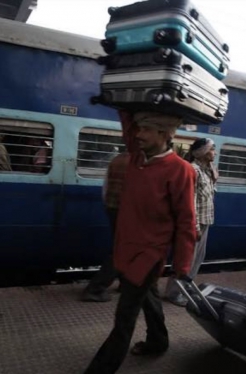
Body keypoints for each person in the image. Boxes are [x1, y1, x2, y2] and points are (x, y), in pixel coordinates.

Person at [83, 111, 197, 374]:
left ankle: (100, 369)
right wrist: (124, 108)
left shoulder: (181, 170)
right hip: (125, 250)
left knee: (124, 317)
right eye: (139, 129)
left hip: (147, 256)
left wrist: (182, 266)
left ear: (165, 134)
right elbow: (129, 129)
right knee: (148, 296)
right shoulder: (137, 160)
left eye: (146, 130)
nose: (138, 135)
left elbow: (185, 222)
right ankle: (158, 341)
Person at [164, 137, 218, 307]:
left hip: (205, 221)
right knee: (186, 258)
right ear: (201, 153)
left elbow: (209, 194)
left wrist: (213, 175)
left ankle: (185, 287)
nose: (214, 153)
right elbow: (191, 201)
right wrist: (194, 227)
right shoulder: (193, 170)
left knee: (197, 259)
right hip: (195, 223)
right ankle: (173, 293)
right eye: (211, 149)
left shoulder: (207, 170)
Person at [81, 151, 130, 302]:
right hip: (128, 211)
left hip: (113, 207)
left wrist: (108, 205)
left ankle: (126, 283)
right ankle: (95, 288)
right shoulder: (139, 161)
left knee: (124, 247)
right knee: (123, 250)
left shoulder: (118, 159)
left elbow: (106, 185)